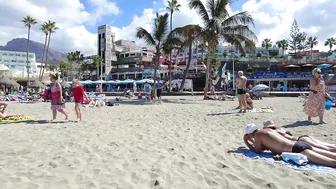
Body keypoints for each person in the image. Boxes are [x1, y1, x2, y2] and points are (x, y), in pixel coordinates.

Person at [243, 124, 336, 167]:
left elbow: (257, 151)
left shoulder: (258, 135)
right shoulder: (267, 131)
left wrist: (246, 141)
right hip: (299, 144)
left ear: (250, 134)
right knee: (330, 154)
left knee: (331, 162)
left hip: (296, 150)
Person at [263, 120, 336, 152]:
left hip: (300, 141)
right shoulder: (280, 128)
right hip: (303, 137)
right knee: (328, 146)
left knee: (326, 149)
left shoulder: (274, 132)